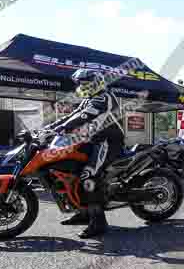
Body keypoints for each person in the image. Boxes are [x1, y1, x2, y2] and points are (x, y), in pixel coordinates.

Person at [43, 69, 125, 238]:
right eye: (80, 84)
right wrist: (49, 128)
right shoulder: (89, 99)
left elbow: (84, 115)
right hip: (93, 141)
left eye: (85, 83)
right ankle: (84, 213)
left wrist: (64, 127)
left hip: (108, 142)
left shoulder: (104, 97)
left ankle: (99, 222)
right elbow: (73, 115)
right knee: (73, 172)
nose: (82, 86)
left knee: (88, 175)